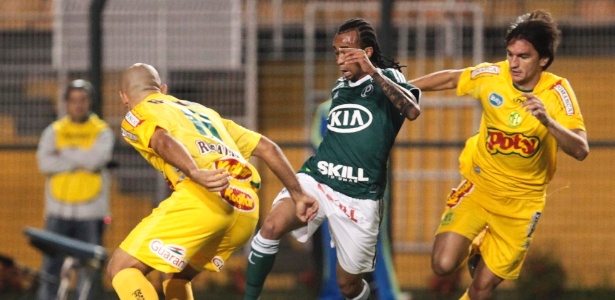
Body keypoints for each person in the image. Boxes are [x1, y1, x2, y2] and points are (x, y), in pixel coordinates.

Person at [409, 10, 589, 300]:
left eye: (523, 56)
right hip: (481, 188)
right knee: (442, 265)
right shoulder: (493, 76)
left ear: (543, 59)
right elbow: (453, 79)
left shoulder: (557, 92)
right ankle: (478, 242)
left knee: (480, 291)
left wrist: (548, 121)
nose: (514, 63)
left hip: (522, 204)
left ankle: (483, 248)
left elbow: (581, 149)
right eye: (510, 54)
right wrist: (404, 87)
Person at [106, 63, 318, 300]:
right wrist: (298, 195)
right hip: (246, 210)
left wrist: (195, 172)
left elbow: (162, 140)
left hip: (204, 199)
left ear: (124, 97)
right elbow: (268, 148)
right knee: (176, 275)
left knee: (122, 267)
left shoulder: (136, 115)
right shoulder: (204, 112)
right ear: (163, 89)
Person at [244, 18, 421, 300]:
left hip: (360, 196)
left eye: (346, 51)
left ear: (367, 52)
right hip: (319, 179)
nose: (340, 59)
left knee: (348, 286)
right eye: (336, 51)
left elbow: (411, 110)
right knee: (271, 226)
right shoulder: (339, 86)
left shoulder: (388, 78)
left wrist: (373, 72)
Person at [309, 98, 403, 300]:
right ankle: (332, 294)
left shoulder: (377, 108)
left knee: (375, 244)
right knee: (334, 244)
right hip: (333, 192)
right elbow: (318, 144)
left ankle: (387, 294)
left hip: (368, 191)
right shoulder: (326, 109)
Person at [36, 79, 115, 300]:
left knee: (88, 271)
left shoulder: (102, 131)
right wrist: (82, 157)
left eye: (82, 100)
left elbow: (96, 160)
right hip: (57, 212)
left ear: (90, 102)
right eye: (73, 101)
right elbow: (45, 163)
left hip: (91, 214)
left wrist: (64, 154)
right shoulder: (54, 130)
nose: (78, 105)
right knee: (50, 267)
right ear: (66, 104)